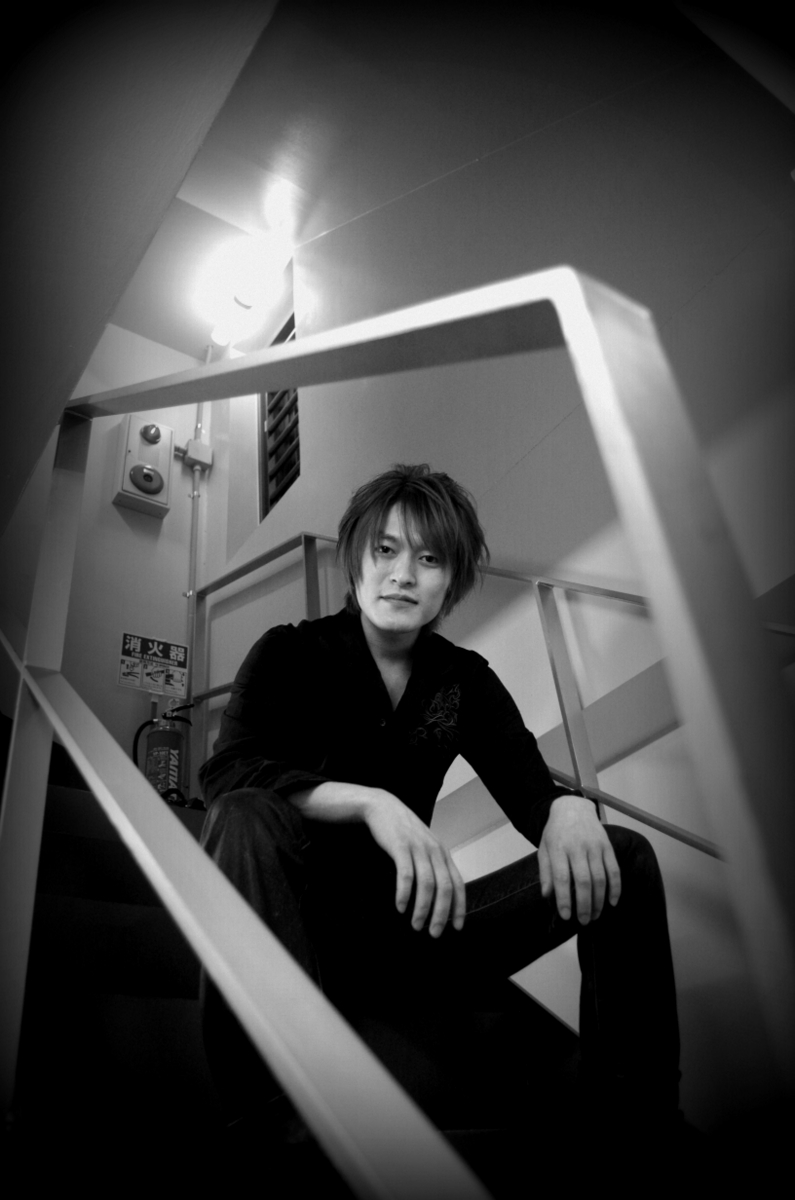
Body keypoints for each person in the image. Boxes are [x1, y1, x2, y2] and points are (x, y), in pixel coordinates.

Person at [198, 463, 681, 1162]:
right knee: (244, 815)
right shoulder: (291, 652)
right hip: (303, 936)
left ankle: (637, 1120)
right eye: (385, 550)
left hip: (416, 934)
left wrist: (568, 808)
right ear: (355, 558)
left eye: (428, 559)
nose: (403, 575)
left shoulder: (463, 679)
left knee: (622, 856)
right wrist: (372, 804)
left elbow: (530, 793)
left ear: (449, 581)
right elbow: (227, 773)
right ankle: (276, 1122)